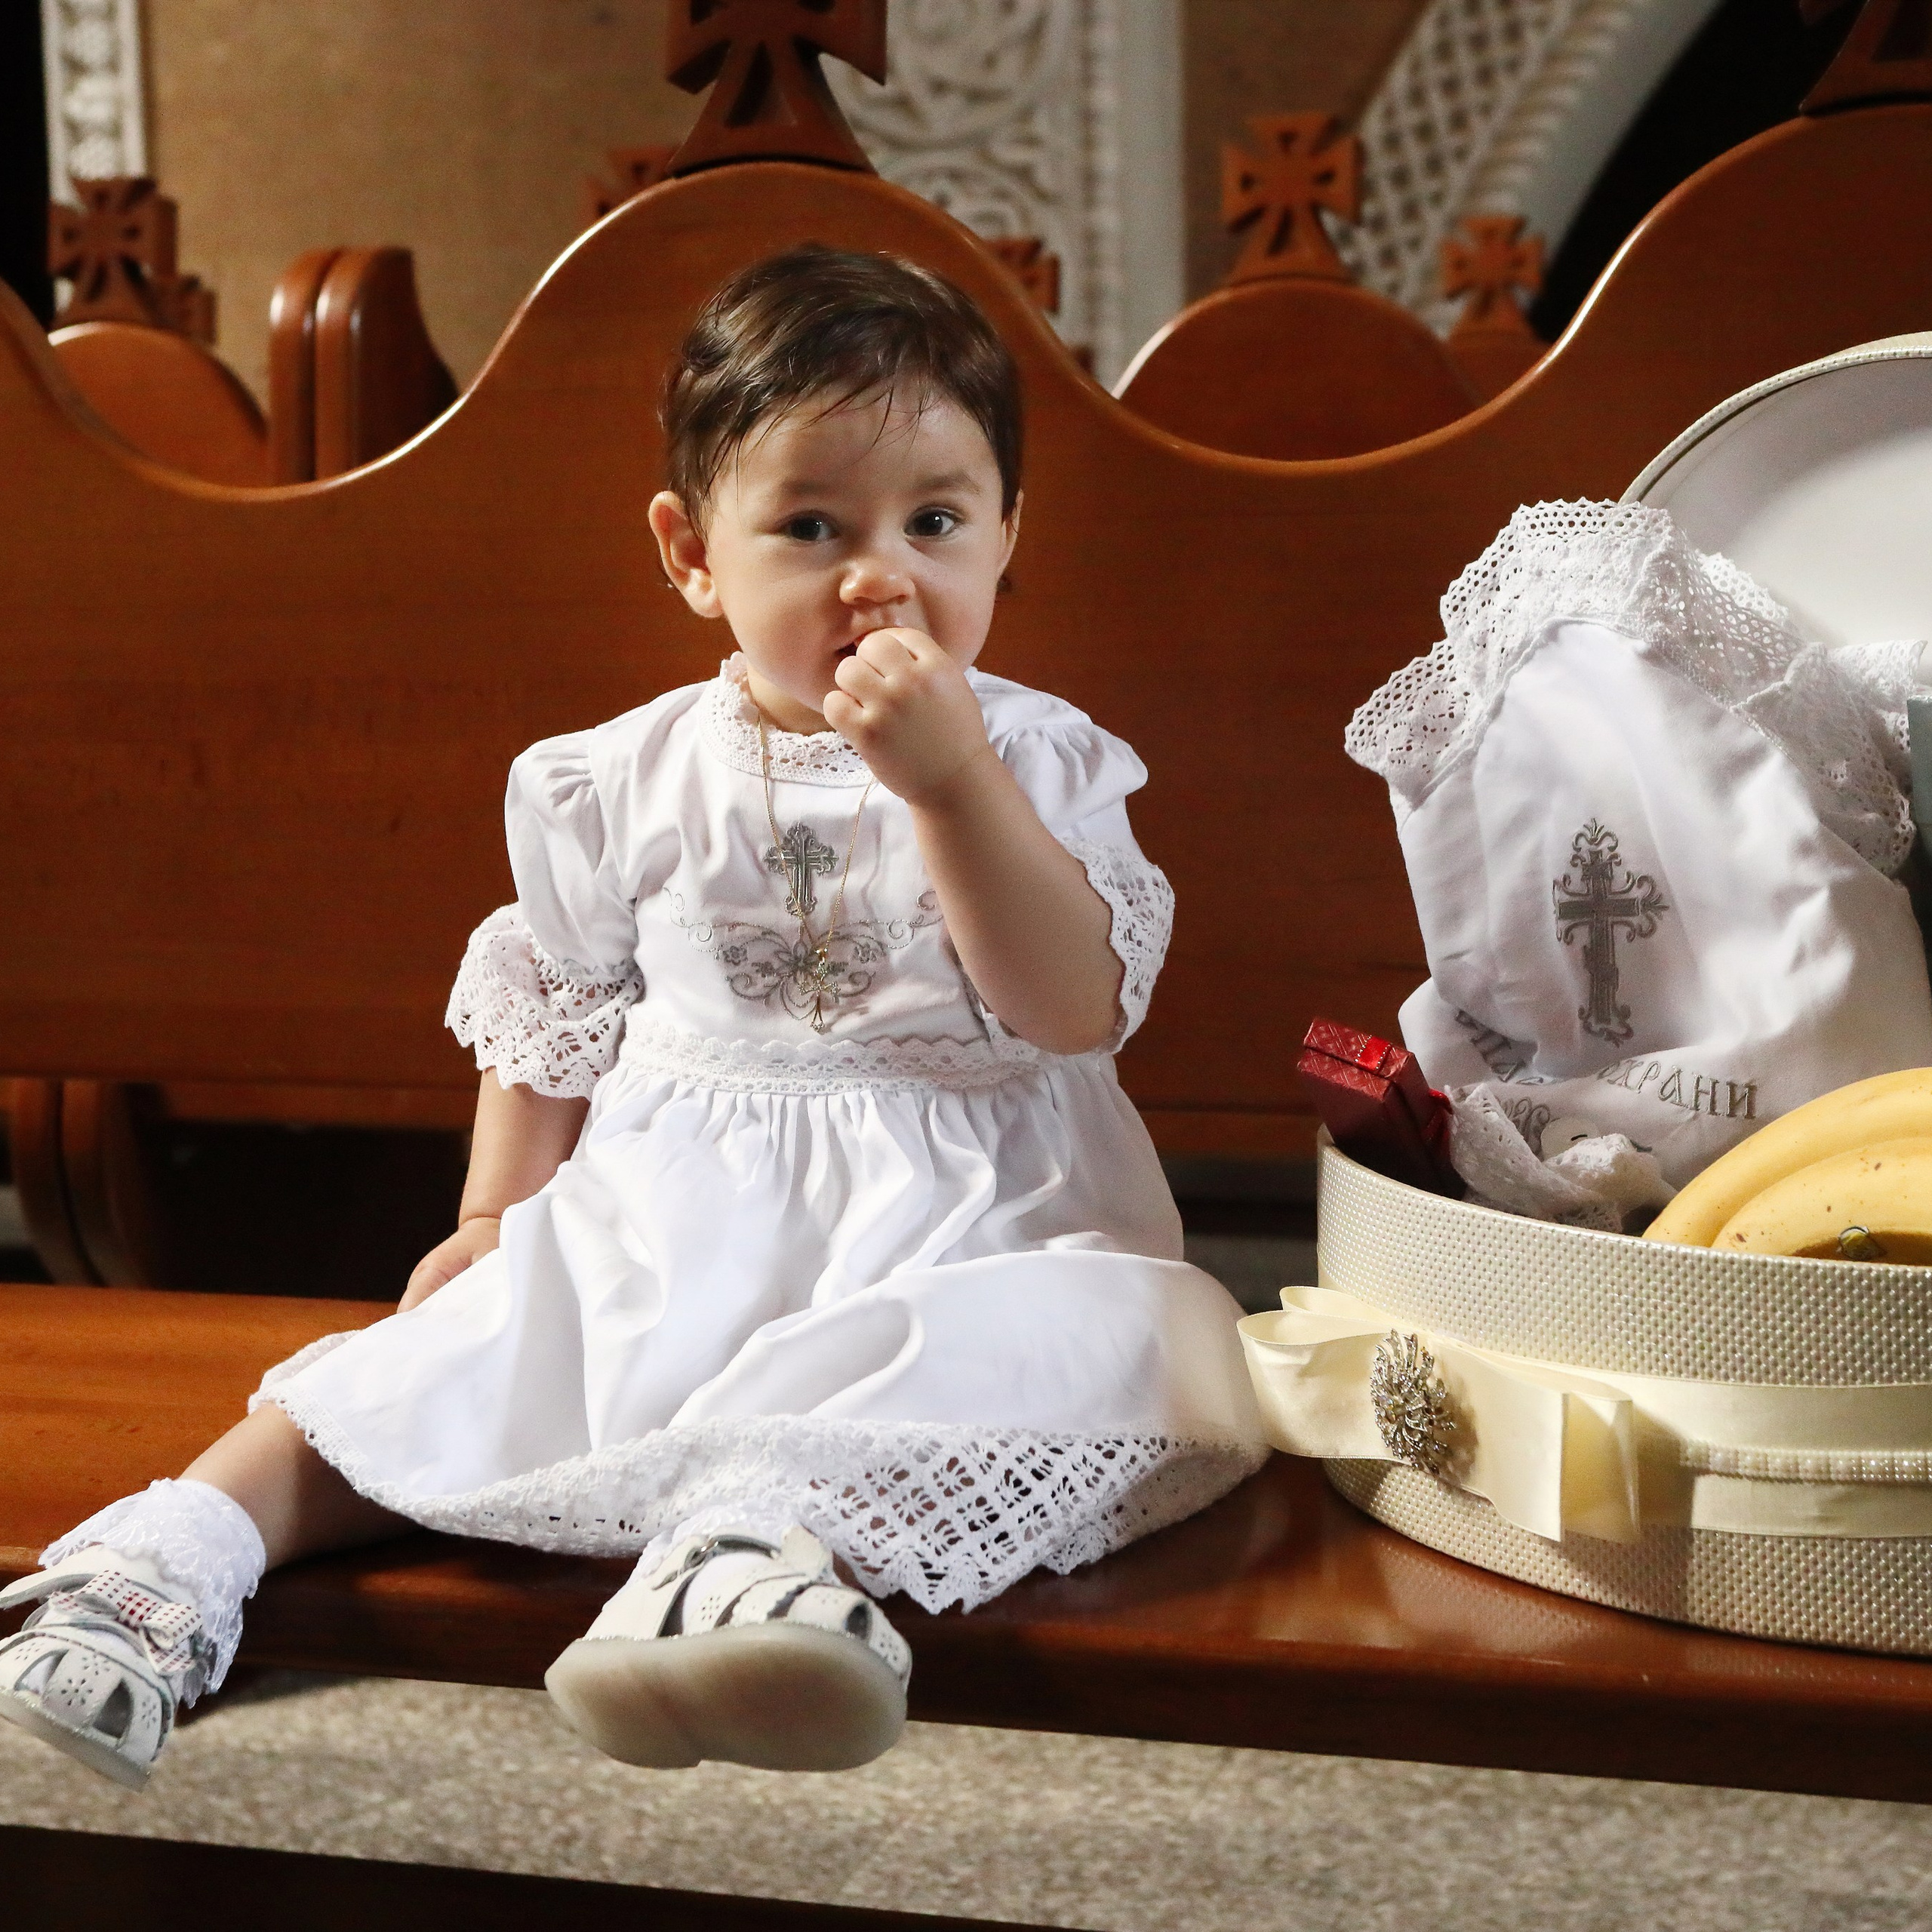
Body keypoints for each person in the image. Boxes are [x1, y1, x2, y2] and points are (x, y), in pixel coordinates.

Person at [0, 245, 1266, 1789]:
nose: (880, 573)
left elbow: (1068, 1007)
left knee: (1138, 1332)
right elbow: (559, 1000)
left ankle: (747, 1556)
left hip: (976, 1227)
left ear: (1008, 531)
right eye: (810, 526)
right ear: (690, 552)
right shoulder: (617, 778)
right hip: (673, 1214)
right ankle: (173, 1554)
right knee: (451, 1350)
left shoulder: (1038, 758)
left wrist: (949, 783)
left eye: (933, 521)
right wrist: (492, 1211)